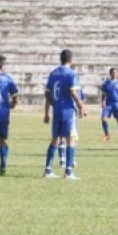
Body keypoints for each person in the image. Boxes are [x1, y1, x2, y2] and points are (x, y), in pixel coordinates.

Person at [43, 49, 87, 180]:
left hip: (56, 111)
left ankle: (47, 171)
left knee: (55, 140)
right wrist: (81, 106)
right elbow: (73, 92)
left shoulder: (53, 73)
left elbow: (47, 95)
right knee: (70, 140)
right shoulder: (71, 74)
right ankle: (68, 173)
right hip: (68, 111)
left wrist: (47, 112)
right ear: (71, 59)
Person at [101, 68, 118, 142]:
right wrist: (103, 102)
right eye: (113, 73)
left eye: (116, 73)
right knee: (103, 118)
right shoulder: (106, 83)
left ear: (117, 74)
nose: (114, 74)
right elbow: (103, 94)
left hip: (117, 103)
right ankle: (107, 135)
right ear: (110, 74)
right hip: (108, 103)